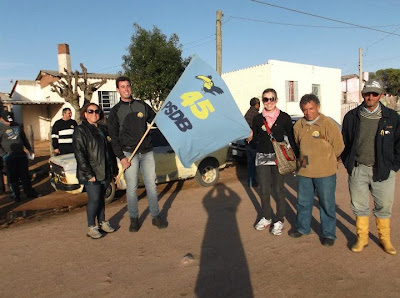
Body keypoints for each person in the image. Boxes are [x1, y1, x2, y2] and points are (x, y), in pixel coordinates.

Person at [342, 78, 400, 255]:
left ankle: (385, 239)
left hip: (383, 170)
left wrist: (393, 166)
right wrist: (349, 165)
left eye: (375, 94)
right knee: (359, 206)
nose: (371, 97)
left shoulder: (392, 117)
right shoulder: (351, 117)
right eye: (367, 93)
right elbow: (346, 143)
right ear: (362, 94)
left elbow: (399, 144)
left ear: (381, 95)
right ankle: (362, 238)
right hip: (359, 169)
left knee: (384, 206)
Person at [108, 76, 167, 232]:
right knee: (132, 188)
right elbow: (113, 138)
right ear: (118, 90)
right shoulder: (115, 112)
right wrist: (122, 158)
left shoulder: (142, 105)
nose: (126, 89)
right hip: (129, 154)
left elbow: (156, 120)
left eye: (128, 86)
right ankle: (134, 219)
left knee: (151, 186)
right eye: (122, 87)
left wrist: (162, 115)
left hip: (146, 152)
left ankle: (156, 216)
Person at [290, 94, 344, 246]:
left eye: (311, 108)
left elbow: (339, 146)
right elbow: (298, 145)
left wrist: (327, 160)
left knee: (327, 204)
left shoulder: (328, 124)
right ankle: (302, 228)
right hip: (304, 172)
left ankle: (328, 234)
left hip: (325, 172)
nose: (308, 113)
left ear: (318, 107)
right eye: (305, 110)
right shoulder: (298, 125)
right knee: (303, 202)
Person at [251, 88, 297, 235]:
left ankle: (279, 220)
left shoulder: (284, 117)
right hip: (262, 158)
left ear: (276, 100)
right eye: (265, 99)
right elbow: (254, 141)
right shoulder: (257, 119)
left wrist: (297, 155)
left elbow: (292, 136)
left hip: (279, 158)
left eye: (271, 99)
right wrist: (250, 137)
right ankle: (266, 217)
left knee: (278, 190)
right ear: (262, 101)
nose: (269, 102)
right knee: (264, 190)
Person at [73, 103, 118, 239]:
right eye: (90, 111)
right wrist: (88, 173)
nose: (94, 114)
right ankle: (91, 226)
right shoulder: (81, 130)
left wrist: (113, 170)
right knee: (94, 199)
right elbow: (80, 153)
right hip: (91, 172)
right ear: (85, 114)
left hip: (105, 170)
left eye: (97, 111)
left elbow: (109, 151)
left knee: (101, 199)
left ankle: (102, 222)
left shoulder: (103, 129)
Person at [0, 110, 40, 202]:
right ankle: (15, 195)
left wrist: (29, 148)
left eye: (10, 121)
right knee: (12, 177)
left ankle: (29, 192)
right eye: (7, 121)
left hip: (21, 155)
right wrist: (4, 155)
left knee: (25, 175)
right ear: (1, 119)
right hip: (9, 156)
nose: (9, 123)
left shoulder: (17, 125)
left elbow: (23, 138)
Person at [244, 97, 260, 187]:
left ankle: (250, 180)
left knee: (250, 162)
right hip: (253, 141)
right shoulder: (256, 114)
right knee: (255, 162)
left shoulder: (247, 113)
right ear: (257, 104)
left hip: (247, 140)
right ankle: (253, 181)